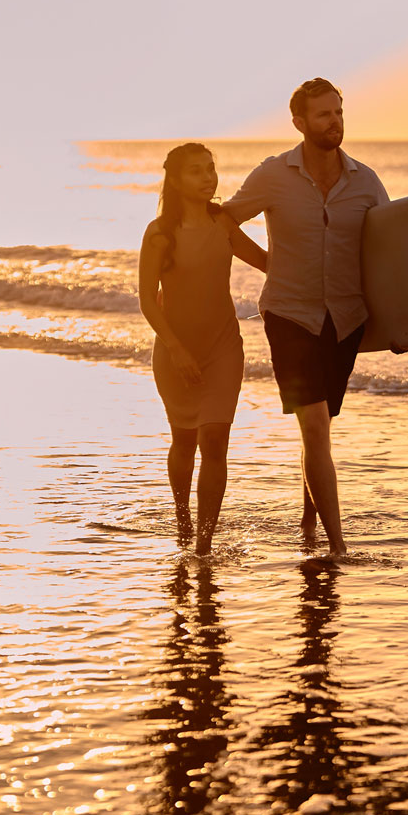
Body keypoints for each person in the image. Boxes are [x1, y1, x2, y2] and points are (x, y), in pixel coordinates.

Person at [222, 79, 387, 557]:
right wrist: (269, 265)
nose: (334, 122)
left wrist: (400, 324)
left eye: (339, 112)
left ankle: (309, 522)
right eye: (323, 114)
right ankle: (338, 548)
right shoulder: (273, 175)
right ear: (299, 122)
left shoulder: (366, 182)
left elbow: (391, 254)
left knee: (320, 428)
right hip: (289, 314)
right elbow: (224, 222)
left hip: (345, 319)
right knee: (314, 425)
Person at [139, 142, 268, 554]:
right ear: (175, 180)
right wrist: (176, 349)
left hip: (223, 348)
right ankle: (183, 519)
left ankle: (204, 543)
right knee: (184, 441)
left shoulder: (222, 222)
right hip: (175, 351)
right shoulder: (159, 234)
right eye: (196, 170)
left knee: (214, 440)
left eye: (210, 168)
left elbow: (268, 262)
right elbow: (146, 300)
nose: (208, 177)